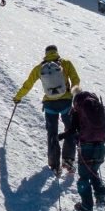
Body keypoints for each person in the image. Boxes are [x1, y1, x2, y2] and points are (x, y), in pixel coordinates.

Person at [13, 45, 82, 173]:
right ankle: (68, 160)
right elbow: (75, 80)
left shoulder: (40, 68)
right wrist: (74, 94)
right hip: (66, 103)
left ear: (46, 54)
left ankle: (54, 164)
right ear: (56, 52)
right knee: (70, 130)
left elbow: (28, 84)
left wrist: (18, 97)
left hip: (50, 105)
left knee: (52, 133)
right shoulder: (66, 63)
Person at [70, 89, 105, 211]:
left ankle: (86, 206)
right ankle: (101, 196)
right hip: (101, 146)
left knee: (84, 178)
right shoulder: (96, 105)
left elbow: (72, 129)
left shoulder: (78, 107)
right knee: (94, 172)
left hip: (87, 146)